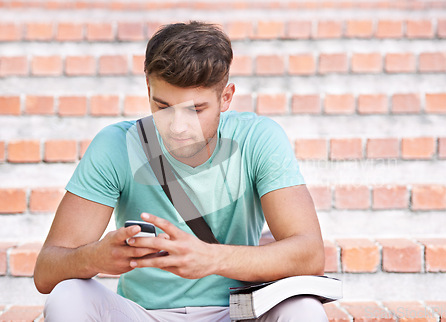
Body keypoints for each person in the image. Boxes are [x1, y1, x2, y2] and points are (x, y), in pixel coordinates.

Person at [34, 21, 327, 321]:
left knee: (305, 308)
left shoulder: (258, 138)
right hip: (143, 314)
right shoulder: (116, 145)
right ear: (148, 88)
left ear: (225, 98)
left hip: (237, 313)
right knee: (67, 296)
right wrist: (95, 256)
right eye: (163, 106)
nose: (177, 127)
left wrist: (211, 259)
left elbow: (310, 253)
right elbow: (46, 272)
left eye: (195, 109)